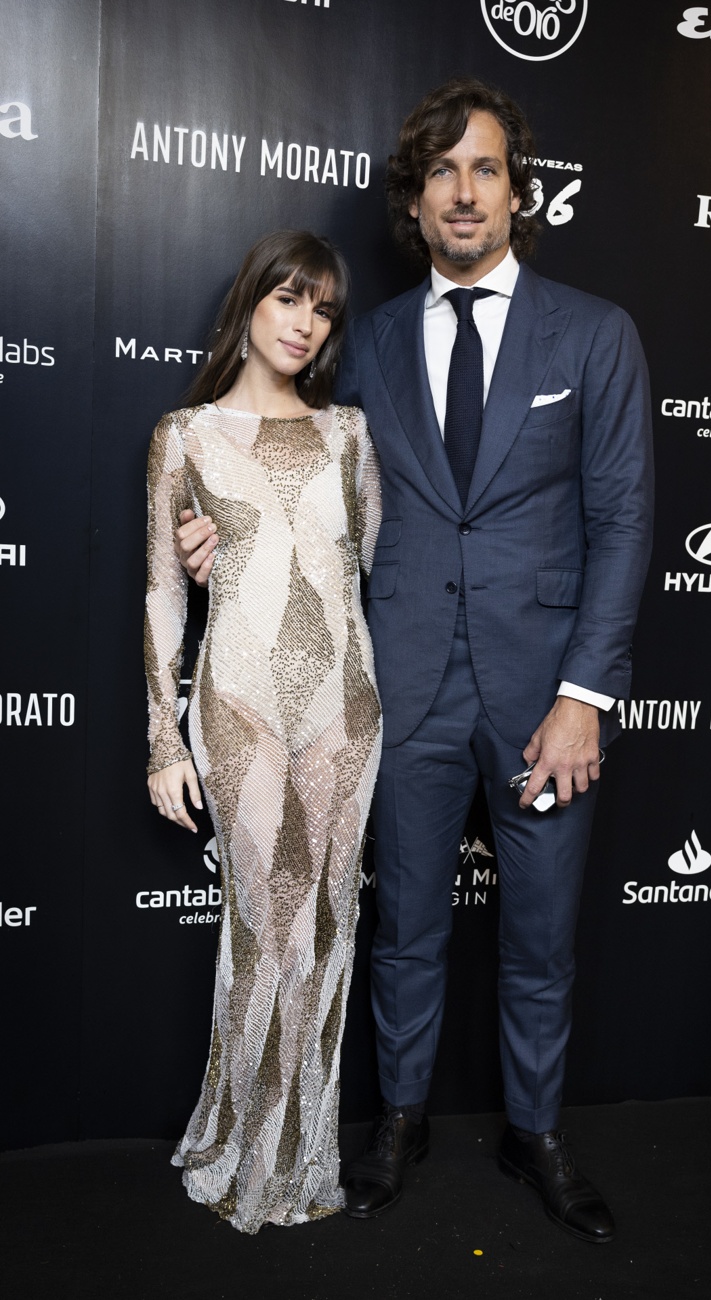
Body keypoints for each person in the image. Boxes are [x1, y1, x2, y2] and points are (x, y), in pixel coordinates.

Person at [176, 78, 653, 1244]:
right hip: (401, 692)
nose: (463, 191)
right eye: (441, 171)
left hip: (546, 697)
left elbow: (627, 517)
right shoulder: (370, 341)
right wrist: (217, 538)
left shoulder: (595, 334)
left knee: (540, 935)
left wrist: (587, 695)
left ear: (516, 188)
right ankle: (397, 1120)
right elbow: (298, 469)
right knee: (407, 929)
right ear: (415, 197)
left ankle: (535, 1132)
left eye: (484, 168)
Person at [145, 230, 382, 1233]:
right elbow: (163, 592)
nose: (304, 322)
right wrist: (164, 738)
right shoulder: (185, 436)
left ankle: (307, 1156)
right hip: (238, 706)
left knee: (327, 930)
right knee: (261, 931)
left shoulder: (350, 434)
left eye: (323, 309)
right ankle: (241, 1147)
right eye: (290, 298)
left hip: (347, 710)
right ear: (251, 301)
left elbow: (363, 568)